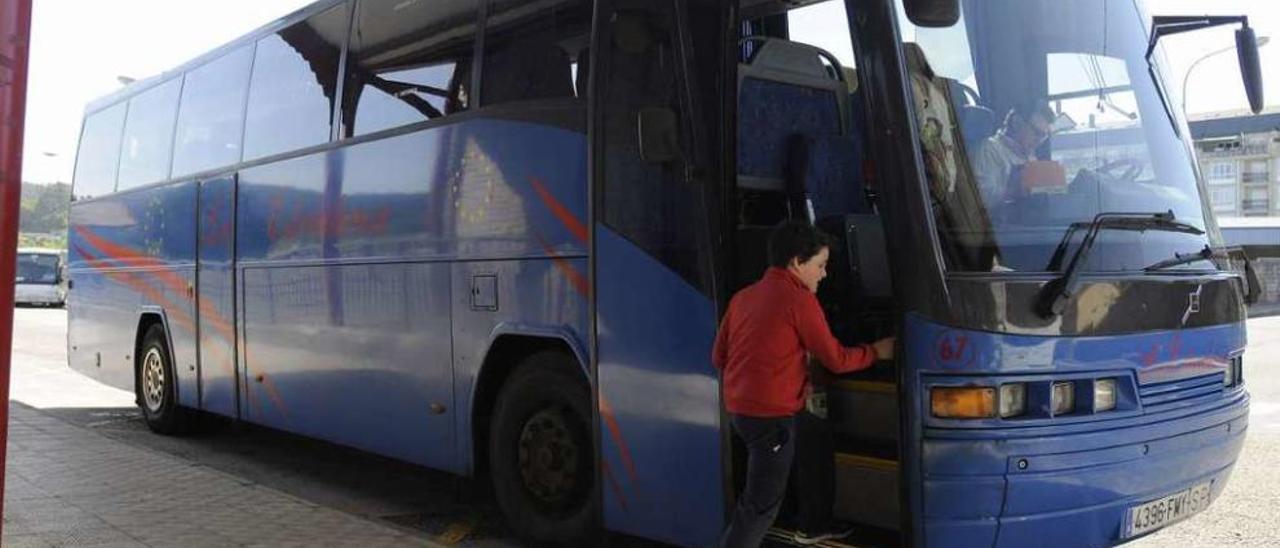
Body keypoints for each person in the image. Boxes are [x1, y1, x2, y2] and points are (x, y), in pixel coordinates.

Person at [713, 221, 896, 547]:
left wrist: (786, 377)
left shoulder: (743, 297)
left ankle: (814, 523)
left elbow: (719, 356)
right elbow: (837, 360)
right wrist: (877, 351)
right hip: (771, 418)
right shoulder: (799, 301)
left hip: (740, 412)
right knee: (759, 507)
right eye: (821, 265)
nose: (824, 275)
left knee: (811, 437)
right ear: (798, 262)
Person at [971, 100, 1056, 204]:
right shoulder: (989, 149)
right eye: (1037, 133)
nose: (1039, 141)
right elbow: (981, 200)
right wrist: (1014, 190)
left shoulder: (1029, 155)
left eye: (1044, 136)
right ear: (1017, 123)